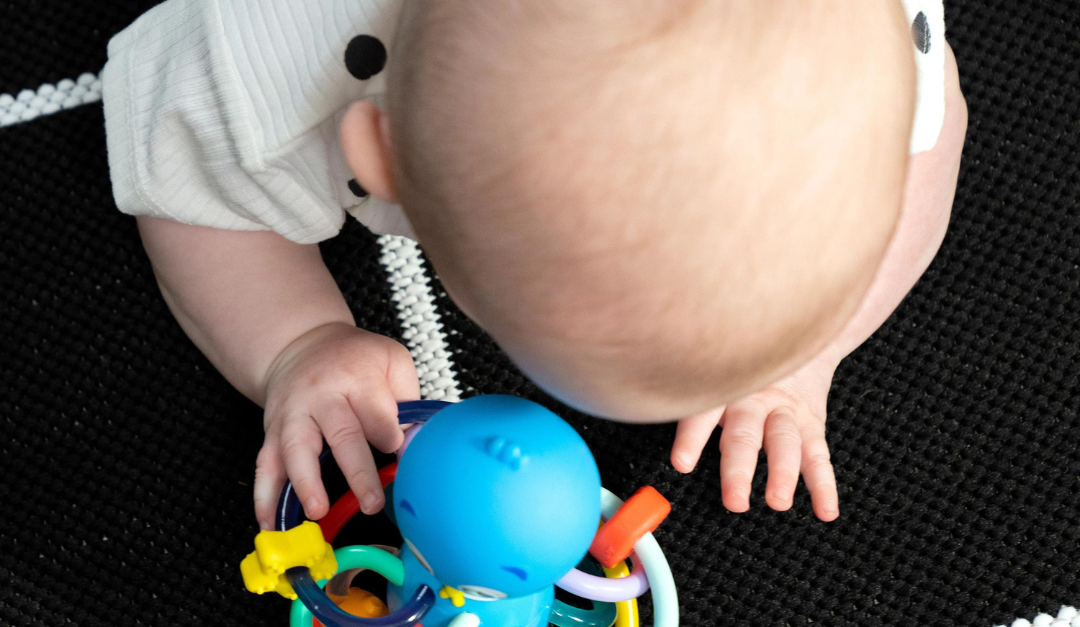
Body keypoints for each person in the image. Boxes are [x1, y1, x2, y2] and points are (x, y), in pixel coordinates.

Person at [102, 0, 967, 529]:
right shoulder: (272, 68)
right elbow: (188, 185)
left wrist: (804, 354)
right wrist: (298, 340)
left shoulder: (876, 33)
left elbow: (927, 141)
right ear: (381, 155)